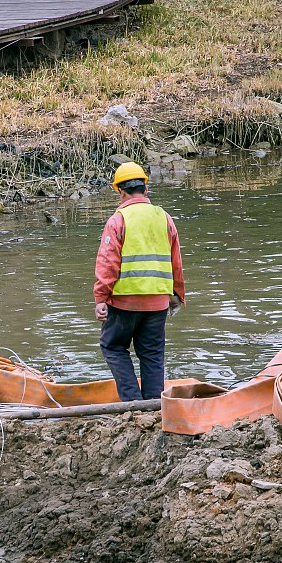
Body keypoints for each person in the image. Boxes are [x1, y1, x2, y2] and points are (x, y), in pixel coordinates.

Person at [93, 162, 185, 402]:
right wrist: (177, 295)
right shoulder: (164, 218)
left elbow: (108, 262)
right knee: (152, 354)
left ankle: (133, 404)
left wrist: (101, 298)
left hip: (124, 302)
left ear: (121, 192)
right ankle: (155, 406)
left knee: (113, 347)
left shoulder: (118, 219)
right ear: (145, 189)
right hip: (157, 303)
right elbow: (176, 261)